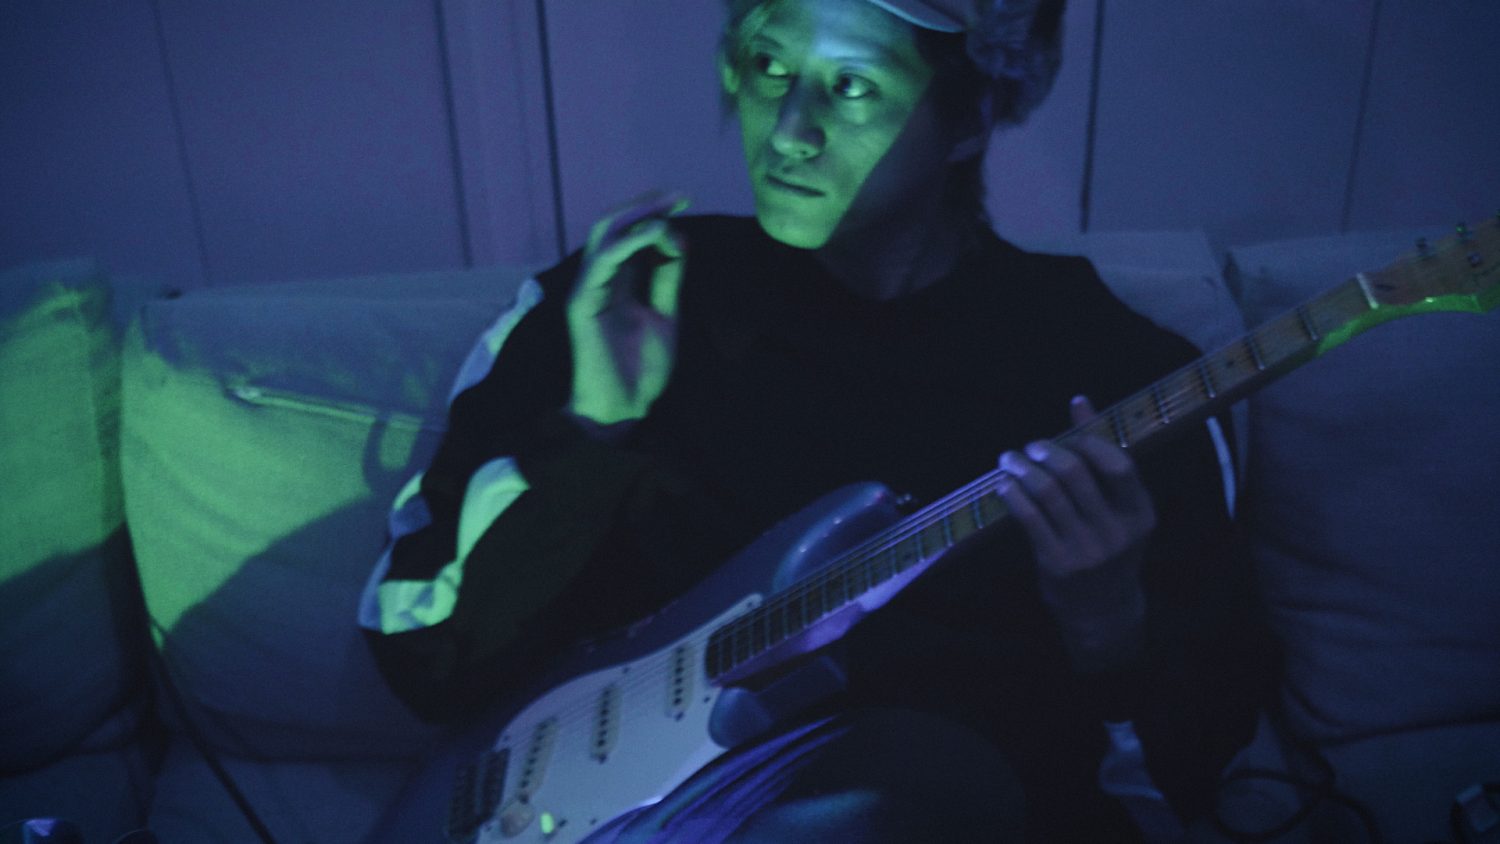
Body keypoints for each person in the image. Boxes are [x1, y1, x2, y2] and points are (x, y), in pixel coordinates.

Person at [360, 0, 1273, 839]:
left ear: (970, 119)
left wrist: (1109, 625)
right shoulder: (624, 294)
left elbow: (1195, 780)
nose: (788, 131)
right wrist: (589, 435)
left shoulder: (1120, 375)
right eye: (770, 66)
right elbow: (424, 662)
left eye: (853, 85)